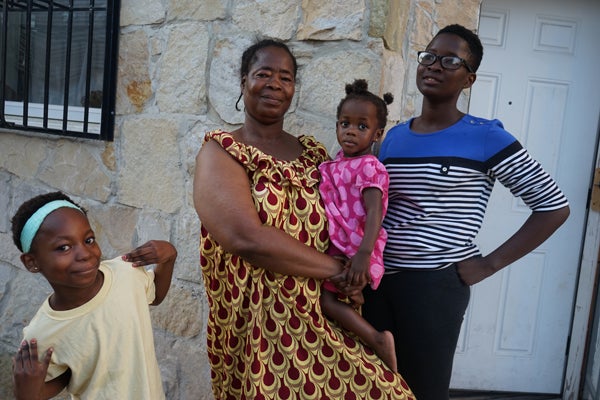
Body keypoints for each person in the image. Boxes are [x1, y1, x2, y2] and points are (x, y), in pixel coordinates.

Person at [193, 39, 415, 399]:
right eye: (263, 74)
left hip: (321, 314)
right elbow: (245, 238)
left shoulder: (315, 156)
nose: (275, 84)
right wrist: (339, 269)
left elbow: (347, 219)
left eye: (286, 77)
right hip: (256, 326)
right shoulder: (221, 152)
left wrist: (358, 271)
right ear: (243, 81)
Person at [362, 23, 570, 400]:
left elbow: (553, 207)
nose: (434, 66)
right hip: (377, 283)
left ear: (469, 79)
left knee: (422, 390)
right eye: (429, 56)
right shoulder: (393, 136)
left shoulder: (487, 136)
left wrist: (488, 264)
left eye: (450, 60)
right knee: (374, 387)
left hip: (433, 287)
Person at [10, 191, 177, 400]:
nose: (85, 254)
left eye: (88, 240)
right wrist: (26, 394)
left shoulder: (126, 273)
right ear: (32, 262)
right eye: (64, 247)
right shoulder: (41, 334)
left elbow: (156, 296)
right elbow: (63, 377)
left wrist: (169, 257)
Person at [318, 78, 397, 372]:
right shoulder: (337, 162)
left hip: (358, 247)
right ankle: (355, 294)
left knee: (326, 301)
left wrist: (363, 254)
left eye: (361, 127)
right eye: (345, 123)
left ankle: (377, 339)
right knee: (335, 293)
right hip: (340, 244)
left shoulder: (370, 166)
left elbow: (375, 211)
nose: (351, 131)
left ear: (377, 134)